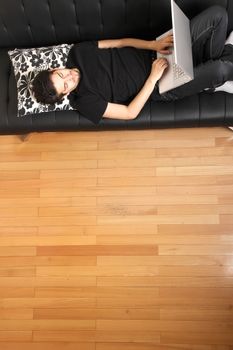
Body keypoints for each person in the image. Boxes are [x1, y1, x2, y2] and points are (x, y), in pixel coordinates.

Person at [32, 5, 233, 125]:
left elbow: (119, 42)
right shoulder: (82, 101)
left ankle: (209, 78)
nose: (70, 78)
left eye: (61, 76)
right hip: (161, 85)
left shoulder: (78, 51)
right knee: (221, 69)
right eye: (66, 86)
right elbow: (130, 113)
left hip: (158, 51)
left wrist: (153, 44)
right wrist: (153, 77)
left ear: (54, 69)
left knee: (218, 15)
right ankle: (214, 72)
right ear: (65, 94)